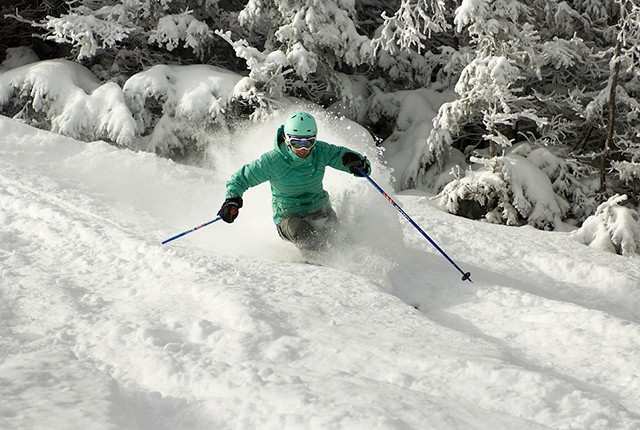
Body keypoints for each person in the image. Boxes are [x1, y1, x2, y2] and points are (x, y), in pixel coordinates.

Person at [217, 111, 370, 254]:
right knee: (307, 235)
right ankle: (320, 271)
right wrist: (232, 200)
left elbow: (343, 157)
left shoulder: (321, 151)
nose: (303, 148)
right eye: (297, 143)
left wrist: (360, 165)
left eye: (308, 142)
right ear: (287, 139)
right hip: (289, 217)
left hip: (319, 209)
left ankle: (350, 272)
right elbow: (240, 178)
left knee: (339, 240)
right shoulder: (272, 161)